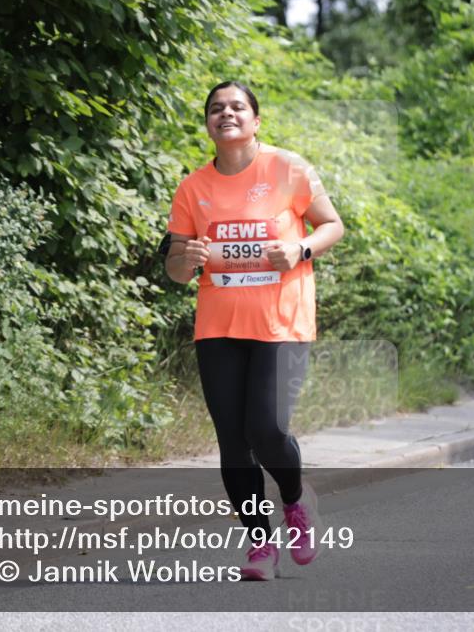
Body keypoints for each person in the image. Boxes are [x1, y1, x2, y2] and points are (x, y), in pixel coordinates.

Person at [164, 81, 345, 581]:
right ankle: (260, 546)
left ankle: (295, 498)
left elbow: (333, 225)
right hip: (218, 326)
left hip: (281, 322)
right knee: (232, 442)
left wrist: (301, 249)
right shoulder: (192, 188)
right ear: (207, 123)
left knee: (266, 430)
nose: (227, 113)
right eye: (217, 108)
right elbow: (175, 269)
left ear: (256, 119)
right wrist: (187, 258)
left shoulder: (288, 168)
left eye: (237, 106)